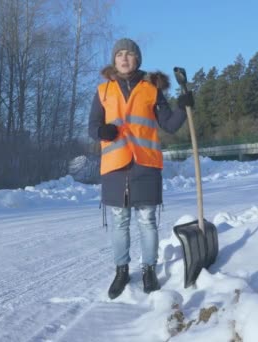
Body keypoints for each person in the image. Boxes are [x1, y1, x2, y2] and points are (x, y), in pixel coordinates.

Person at [88, 38, 194, 299]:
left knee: (147, 221)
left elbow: (168, 124)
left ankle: (149, 269)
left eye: (130, 54)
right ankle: (121, 270)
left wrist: (182, 107)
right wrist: (102, 130)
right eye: (119, 54)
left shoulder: (151, 88)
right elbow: (92, 127)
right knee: (119, 221)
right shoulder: (103, 91)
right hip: (114, 166)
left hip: (145, 163)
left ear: (138, 59)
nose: (124, 58)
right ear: (114, 60)